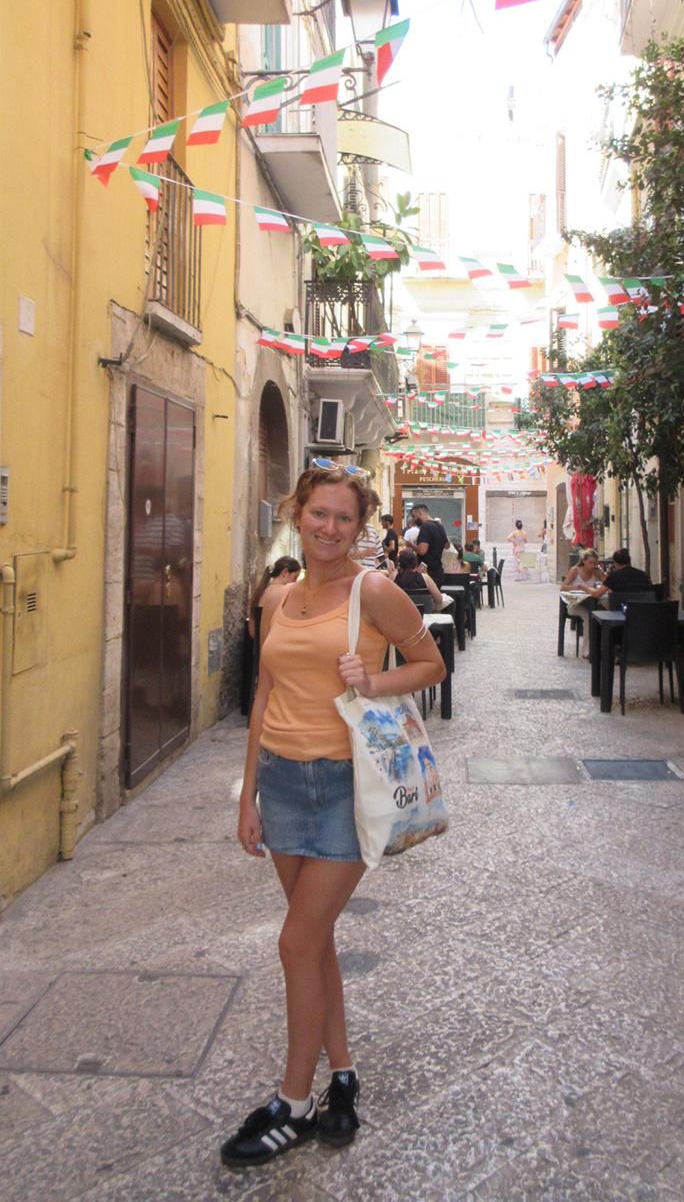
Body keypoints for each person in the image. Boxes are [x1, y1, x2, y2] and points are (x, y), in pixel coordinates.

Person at [222, 462, 445, 1169]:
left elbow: (430, 662)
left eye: (344, 517)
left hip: (348, 787)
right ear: (298, 511)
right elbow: (263, 694)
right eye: (318, 513)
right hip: (283, 784)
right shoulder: (279, 596)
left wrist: (373, 679)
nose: (329, 527)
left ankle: (292, 1105)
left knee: (295, 942)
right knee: (312, 943)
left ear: (361, 524)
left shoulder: (372, 590)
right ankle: (342, 1075)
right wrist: (250, 794)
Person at [561, 547, 606, 657]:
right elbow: (563, 587)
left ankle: (601, 648)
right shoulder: (575, 570)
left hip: (590, 603)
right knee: (588, 617)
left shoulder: (595, 571)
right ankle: (587, 651)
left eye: (595, 563)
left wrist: (600, 574)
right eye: (590, 563)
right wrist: (578, 587)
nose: (592, 566)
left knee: (600, 614)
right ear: (584, 561)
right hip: (575, 604)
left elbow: (606, 583)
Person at [248, 557, 301, 640]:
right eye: (295, 577)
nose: (296, 582)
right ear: (285, 572)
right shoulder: (283, 593)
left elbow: (252, 632)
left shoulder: (261, 591)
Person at [411, 503, 450, 589]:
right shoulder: (439, 526)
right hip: (438, 570)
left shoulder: (425, 527)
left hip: (427, 571)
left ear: (420, 513)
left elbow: (422, 550)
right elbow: (447, 545)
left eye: (414, 516)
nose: (413, 520)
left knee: (426, 599)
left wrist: (411, 545)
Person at [351, 489, 387, 569]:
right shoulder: (349, 528)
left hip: (369, 577)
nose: (373, 513)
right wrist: (362, 553)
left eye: (374, 510)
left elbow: (378, 557)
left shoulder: (372, 530)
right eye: (371, 509)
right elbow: (340, 556)